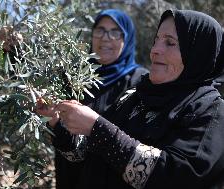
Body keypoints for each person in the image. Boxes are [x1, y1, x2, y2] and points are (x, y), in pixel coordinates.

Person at [41, 9, 224, 189]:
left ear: (198, 52)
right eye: (156, 40)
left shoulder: (209, 110)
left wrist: (97, 128)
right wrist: (58, 123)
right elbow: (87, 154)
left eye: (170, 43)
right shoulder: (136, 94)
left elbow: (175, 177)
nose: (155, 50)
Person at [37, 9, 148, 189]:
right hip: (70, 179)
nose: (105, 38)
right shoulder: (73, 77)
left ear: (126, 38)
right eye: (100, 30)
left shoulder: (142, 82)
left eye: (115, 32)